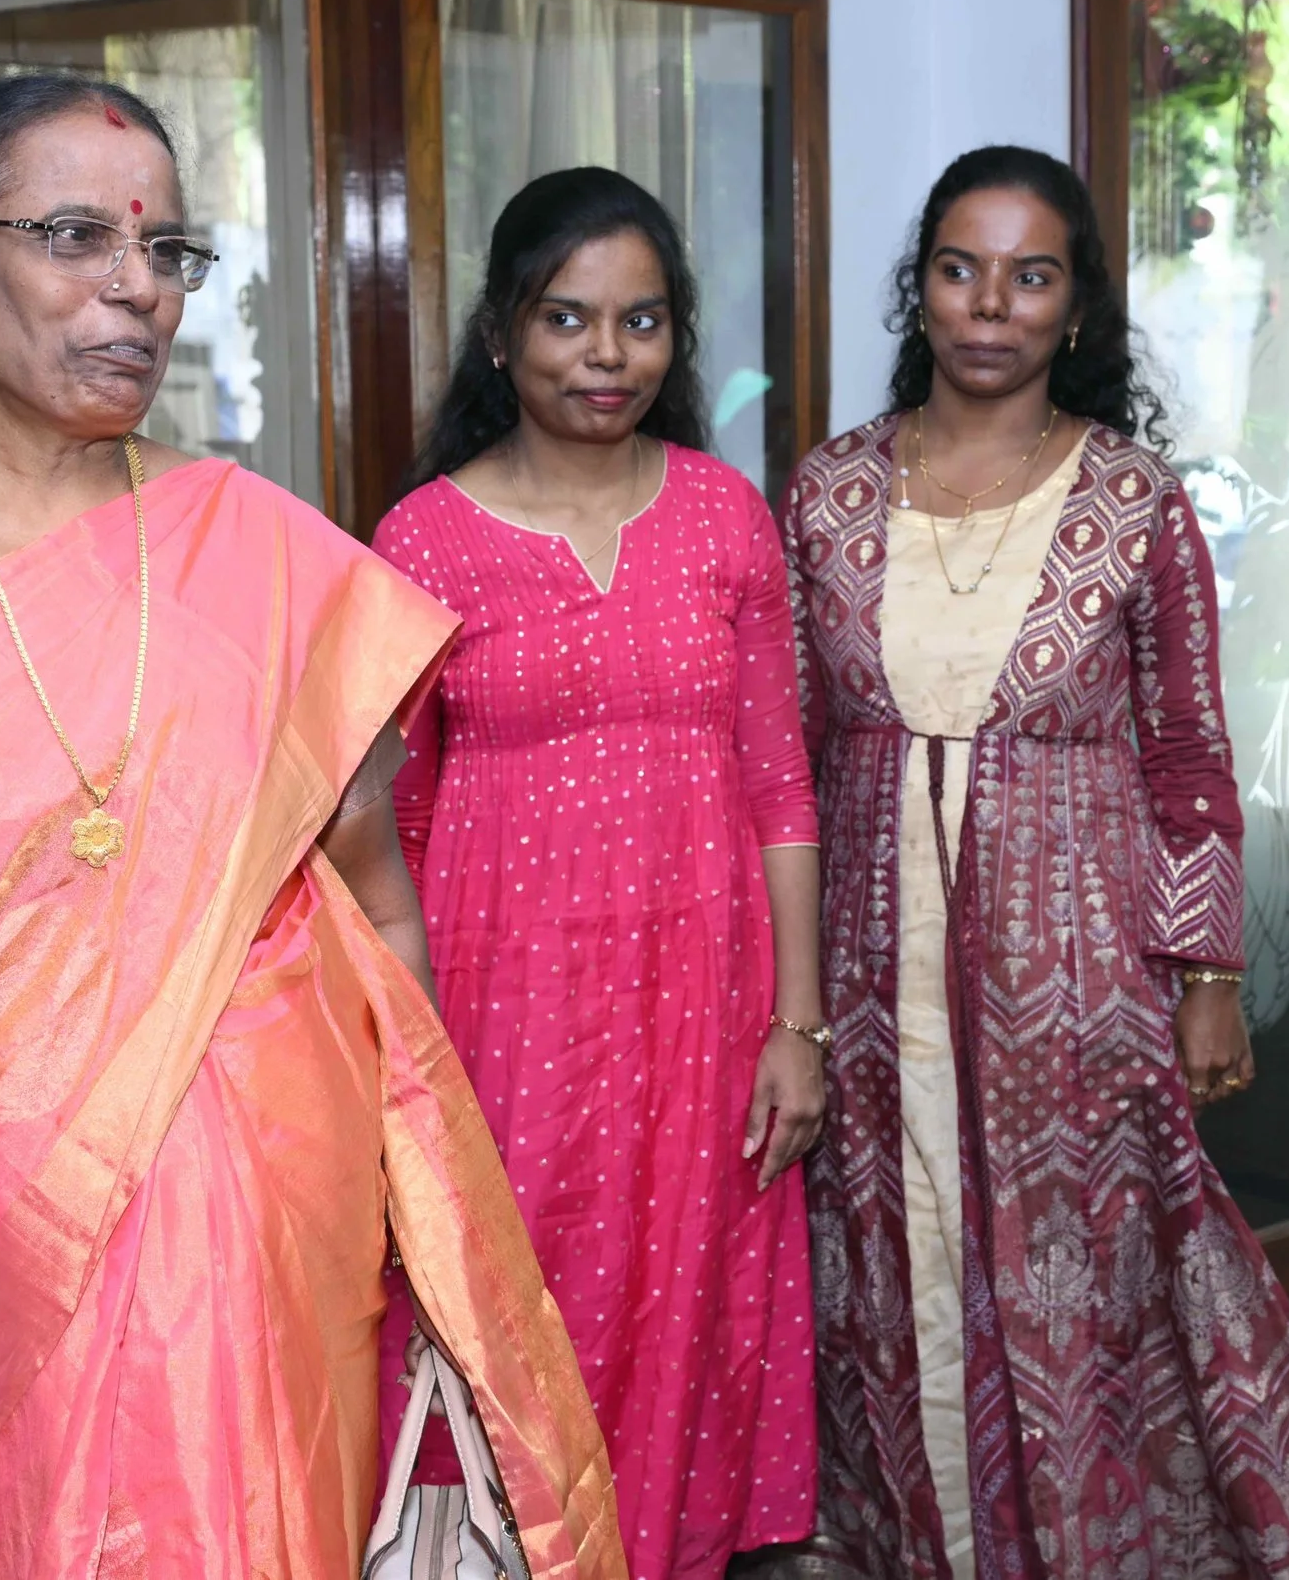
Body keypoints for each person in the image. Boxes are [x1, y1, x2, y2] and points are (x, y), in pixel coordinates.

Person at [0, 74, 621, 1580]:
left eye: (166, 249)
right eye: (73, 235)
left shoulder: (269, 559)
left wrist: (418, 1235)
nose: (137, 289)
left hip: (258, 1268)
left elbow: (379, 912)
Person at [782, 145, 1289, 1579]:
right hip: (878, 988)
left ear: (1076, 310)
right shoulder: (825, 492)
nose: (990, 304)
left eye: (1032, 274)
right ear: (919, 288)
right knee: (899, 1268)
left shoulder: (1131, 499)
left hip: (1075, 979)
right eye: (960, 267)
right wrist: (794, 991)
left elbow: (1190, 751)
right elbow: (796, 760)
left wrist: (1208, 973)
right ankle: (910, 1541)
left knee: (1090, 1292)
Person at [372, 166, 825, 1579]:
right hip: (505, 1009)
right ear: (502, 333)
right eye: (567, 318)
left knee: (683, 1303)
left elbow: (780, 784)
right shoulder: (421, 540)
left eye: (639, 321)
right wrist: (403, 1058)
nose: (606, 355)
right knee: (515, 1302)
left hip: (707, 1003)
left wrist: (797, 1023)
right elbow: (388, 823)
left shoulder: (723, 516)